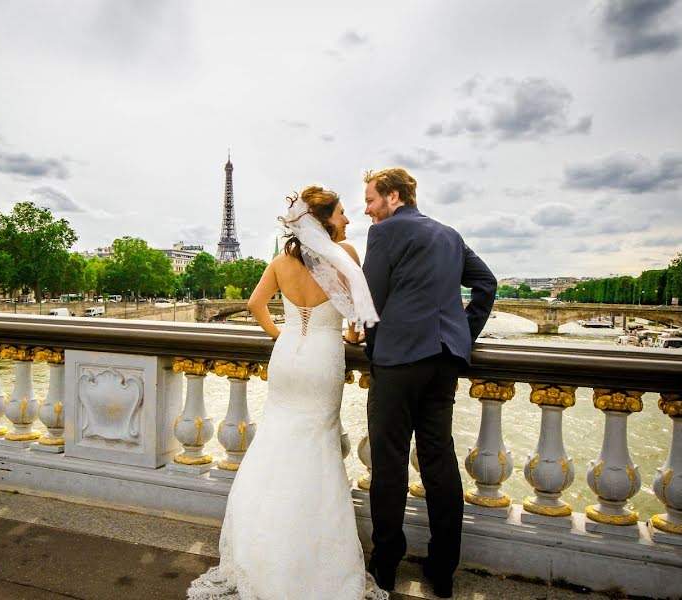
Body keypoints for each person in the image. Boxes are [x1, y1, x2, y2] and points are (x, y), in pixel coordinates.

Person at [187, 186, 387, 600]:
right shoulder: (343, 255)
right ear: (324, 220)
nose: (348, 220)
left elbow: (256, 304)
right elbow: (355, 317)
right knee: (318, 449)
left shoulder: (280, 261)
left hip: (287, 357)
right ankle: (309, 560)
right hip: (322, 360)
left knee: (276, 446)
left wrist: (285, 333)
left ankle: (260, 552)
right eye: (342, 213)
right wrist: (346, 333)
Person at [360, 168, 496, 599]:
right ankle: (443, 569)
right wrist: (461, 334)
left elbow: (370, 302)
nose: (366, 209)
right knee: (439, 463)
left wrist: (374, 349)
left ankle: (385, 564)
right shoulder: (449, 235)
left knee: (389, 463)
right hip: (444, 362)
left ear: (393, 197)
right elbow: (486, 285)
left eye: (370, 199)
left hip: (399, 361)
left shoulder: (383, 234)